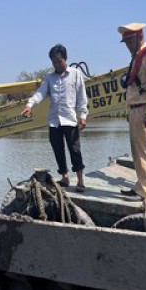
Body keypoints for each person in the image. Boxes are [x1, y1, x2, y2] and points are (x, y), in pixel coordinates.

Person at [21, 44, 89, 192]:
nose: (57, 65)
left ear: (65, 59)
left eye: (59, 61)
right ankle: (65, 177)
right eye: (54, 62)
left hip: (70, 119)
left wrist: (82, 116)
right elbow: (40, 93)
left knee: (75, 150)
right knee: (58, 150)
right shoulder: (49, 78)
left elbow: (81, 97)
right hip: (54, 121)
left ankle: (80, 180)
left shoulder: (76, 74)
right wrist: (30, 105)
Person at [117, 23, 146, 202]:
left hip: (144, 108)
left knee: (145, 151)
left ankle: (144, 191)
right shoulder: (137, 57)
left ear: (138, 37)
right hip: (135, 109)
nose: (127, 45)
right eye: (125, 42)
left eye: (129, 41)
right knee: (137, 152)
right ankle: (139, 186)